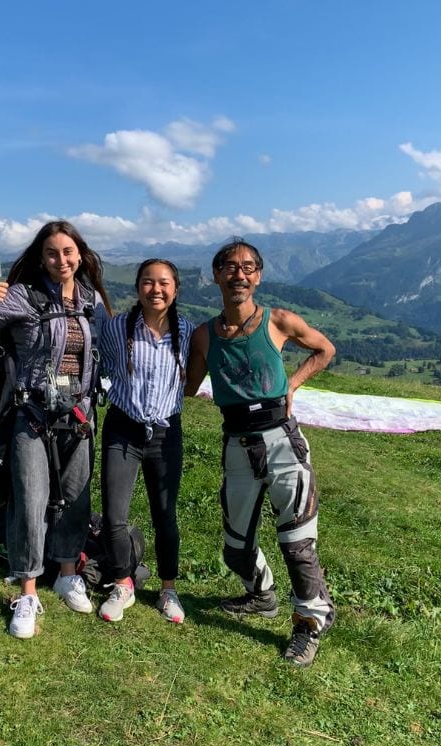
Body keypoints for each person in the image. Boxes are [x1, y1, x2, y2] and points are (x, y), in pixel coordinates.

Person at [186, 239, 335, 667]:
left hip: (281, 440)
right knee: (235, 548)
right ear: (216, 275)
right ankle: (261, 594)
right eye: (230, 267)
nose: (239, 274)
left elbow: (324, 350)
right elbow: (188, 386)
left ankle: (310, 623)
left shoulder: (279, 321)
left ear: (258, 277)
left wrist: (292, 383)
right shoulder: (203, 336)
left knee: (297, 543)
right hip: (236, 442)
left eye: (248, 267)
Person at [0, 220, 111, 638]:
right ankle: (27, 590)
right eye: (51, 253)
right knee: (29, 497)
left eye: (68, 252)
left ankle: (66, 573)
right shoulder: (23, 297)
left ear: (80, 254)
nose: (61, 260)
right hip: (32, 416)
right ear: (40, 257)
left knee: (77, 496)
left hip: (78, 416)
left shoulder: (91, 300)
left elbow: (106, 349)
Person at [98, 259, 194, 623]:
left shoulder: (188, 332)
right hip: (123, 428)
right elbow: (101, 364)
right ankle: (123, 582)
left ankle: (168, 589)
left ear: (176, 288)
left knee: (165, 515)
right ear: (137, 287)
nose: (156, 289)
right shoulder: (116, 327)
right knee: (114, 515)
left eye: (164, 283)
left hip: (166, 433)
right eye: (148, 282)